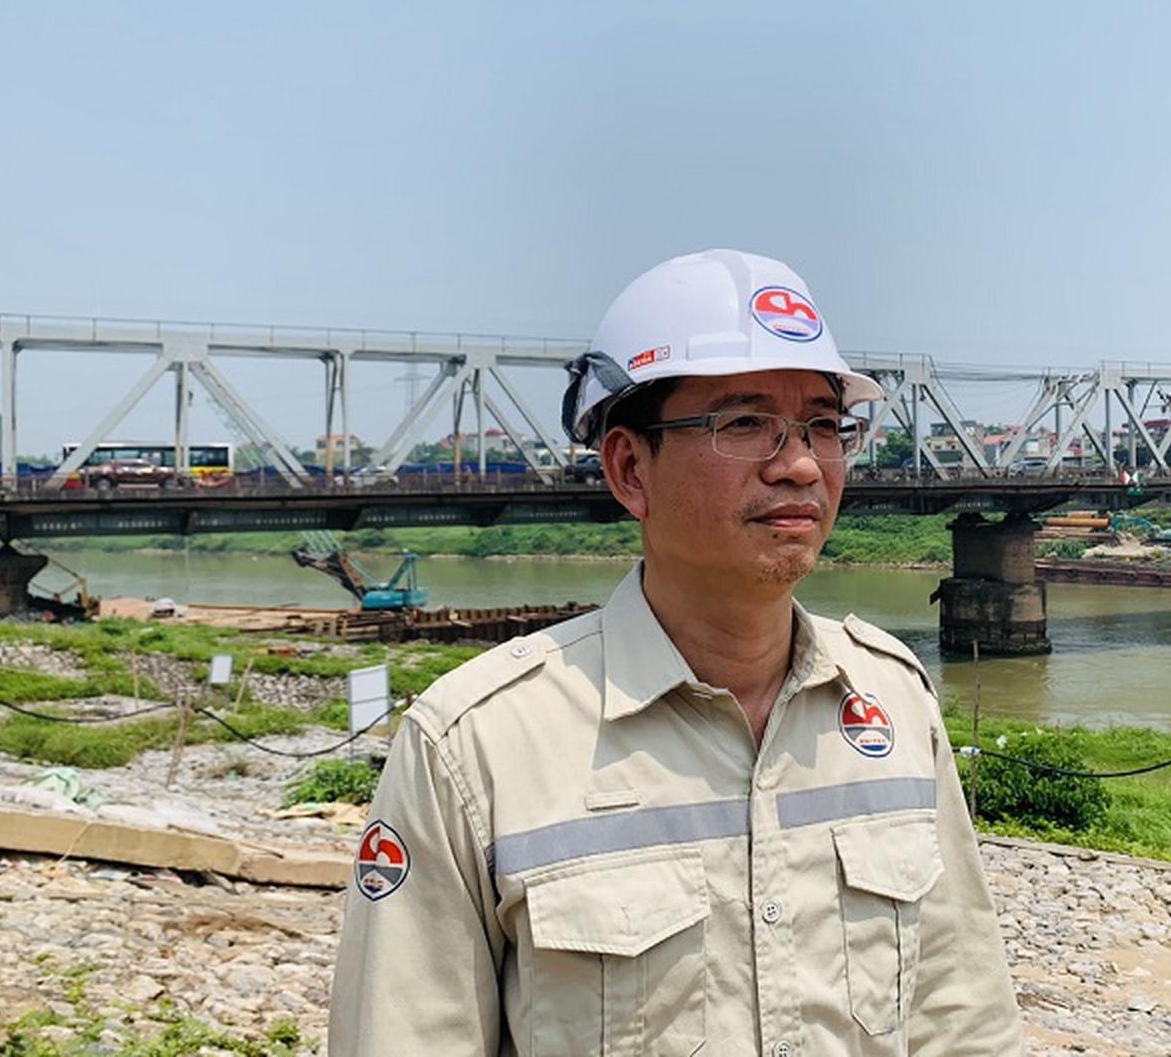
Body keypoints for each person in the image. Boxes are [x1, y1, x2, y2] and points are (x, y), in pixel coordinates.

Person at [329, 250, 1023, 1056]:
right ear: (630, 468)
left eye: (824, 426)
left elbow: (964, 1019)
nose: (801, 464)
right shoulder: (475, 747)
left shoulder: (893, 700)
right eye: (744, 424)